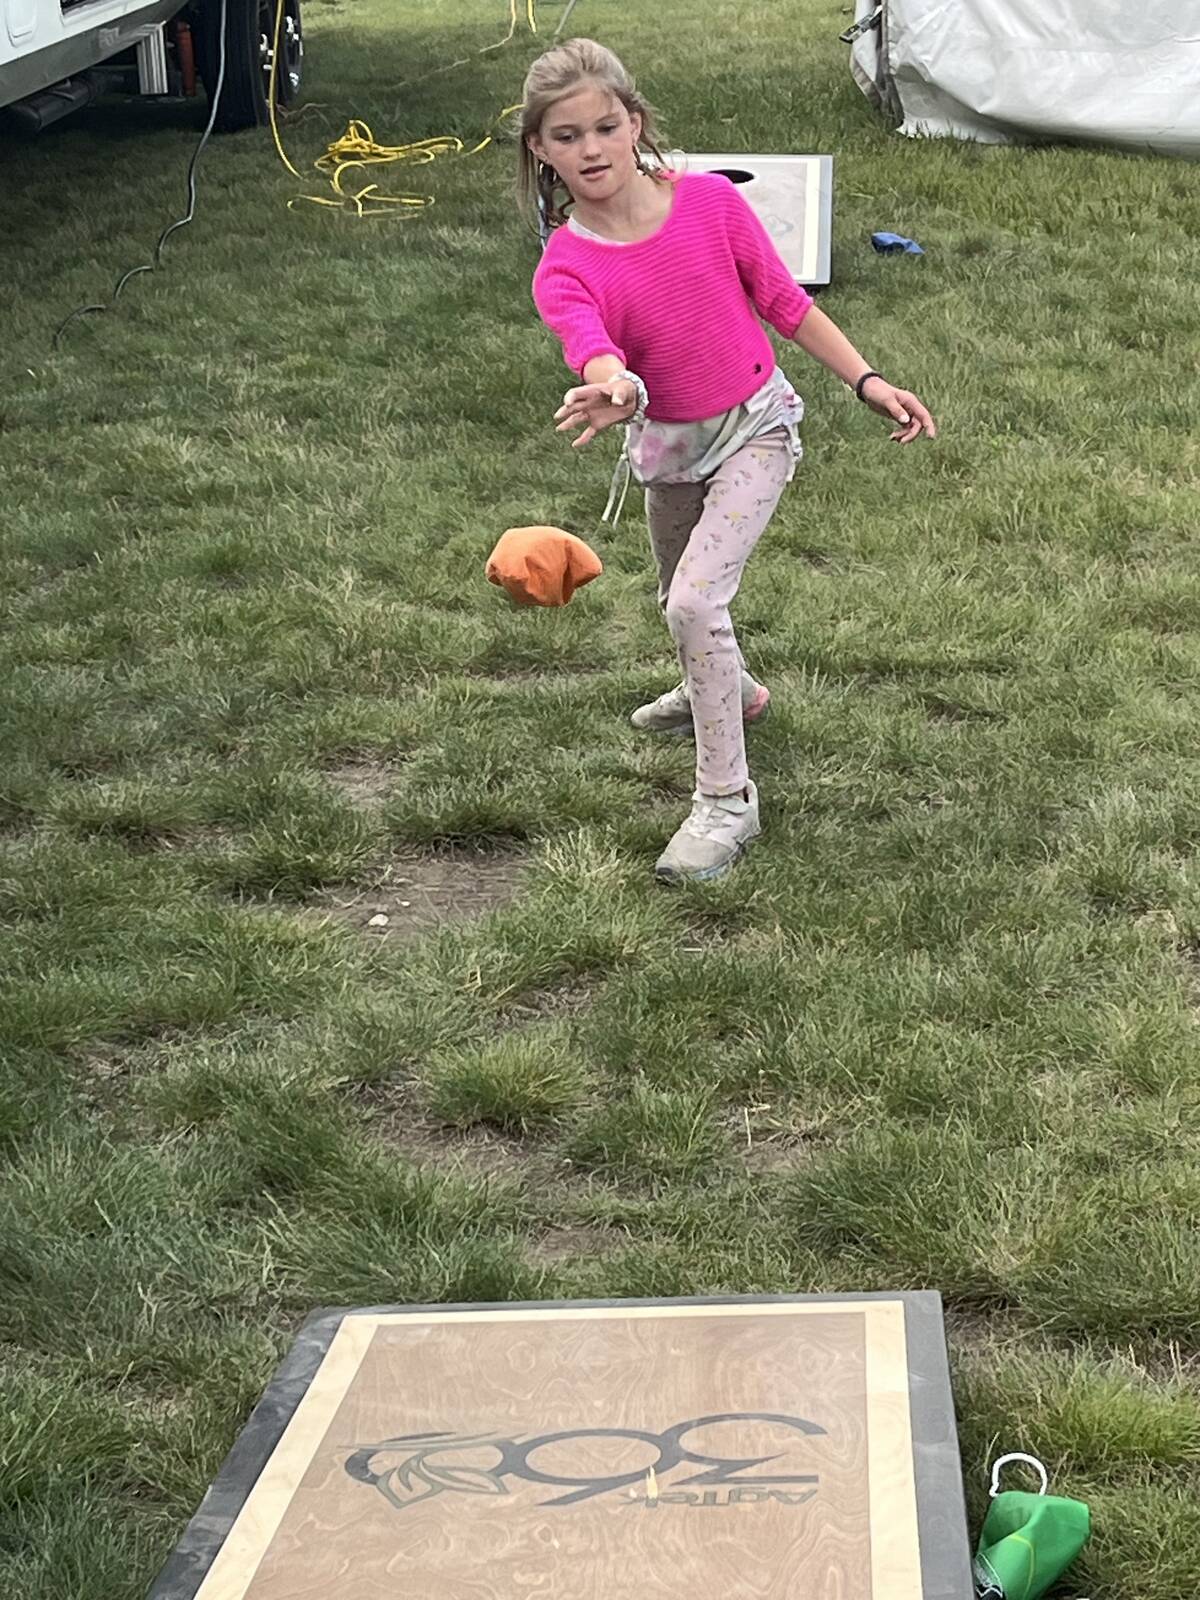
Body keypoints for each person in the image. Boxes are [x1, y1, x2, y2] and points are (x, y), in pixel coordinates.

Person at [519, 38, 936, 883]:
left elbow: (784, 302)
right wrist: (617, 388)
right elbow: (597, 351)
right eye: (566, 136)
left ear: (635, 124)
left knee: (693, 603)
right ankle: (734, 693)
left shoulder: (710, 205)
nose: (591, 150)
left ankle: (726, 802)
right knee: (681, 597)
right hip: (667, 446)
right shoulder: (564, 264)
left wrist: (868, 380)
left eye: (606, 126)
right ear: (539, 148)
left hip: (756, 428)